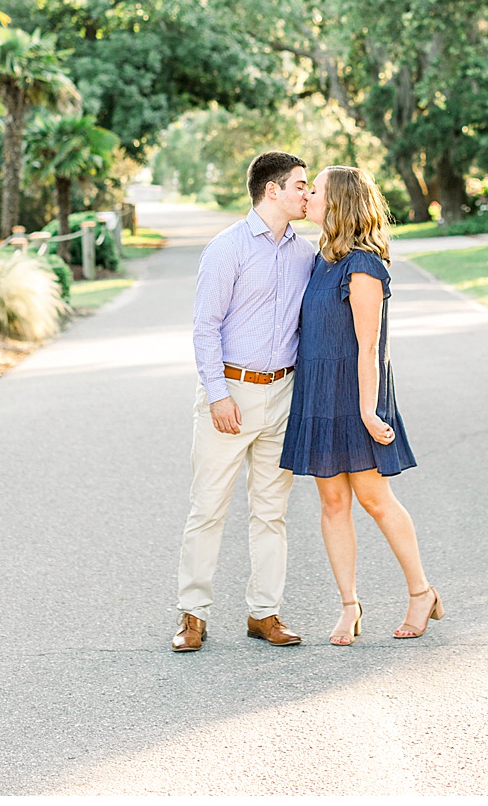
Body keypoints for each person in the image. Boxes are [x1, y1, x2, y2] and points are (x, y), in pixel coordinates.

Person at [279, 164, 443, 644]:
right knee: (332, 502)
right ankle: (349, 606)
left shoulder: (364, 264)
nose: (307, 196)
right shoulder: (320, 259)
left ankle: (421, 592)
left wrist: (370, 411)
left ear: (339, 202)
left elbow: (368, 347)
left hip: (357, 395)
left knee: (374, 498)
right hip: (318, 393)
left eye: (317, 190)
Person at [172, 150, 317, 652]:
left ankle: (265, 614)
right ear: (271, 190)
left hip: (283, 395)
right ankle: (193, 614)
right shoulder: (226, 248)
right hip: (230, 394)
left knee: (271, 512)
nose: (308, 193)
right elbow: (205, 326)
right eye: (300, 185)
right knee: (208, 508)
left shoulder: (305, 254)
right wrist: (217, 394)